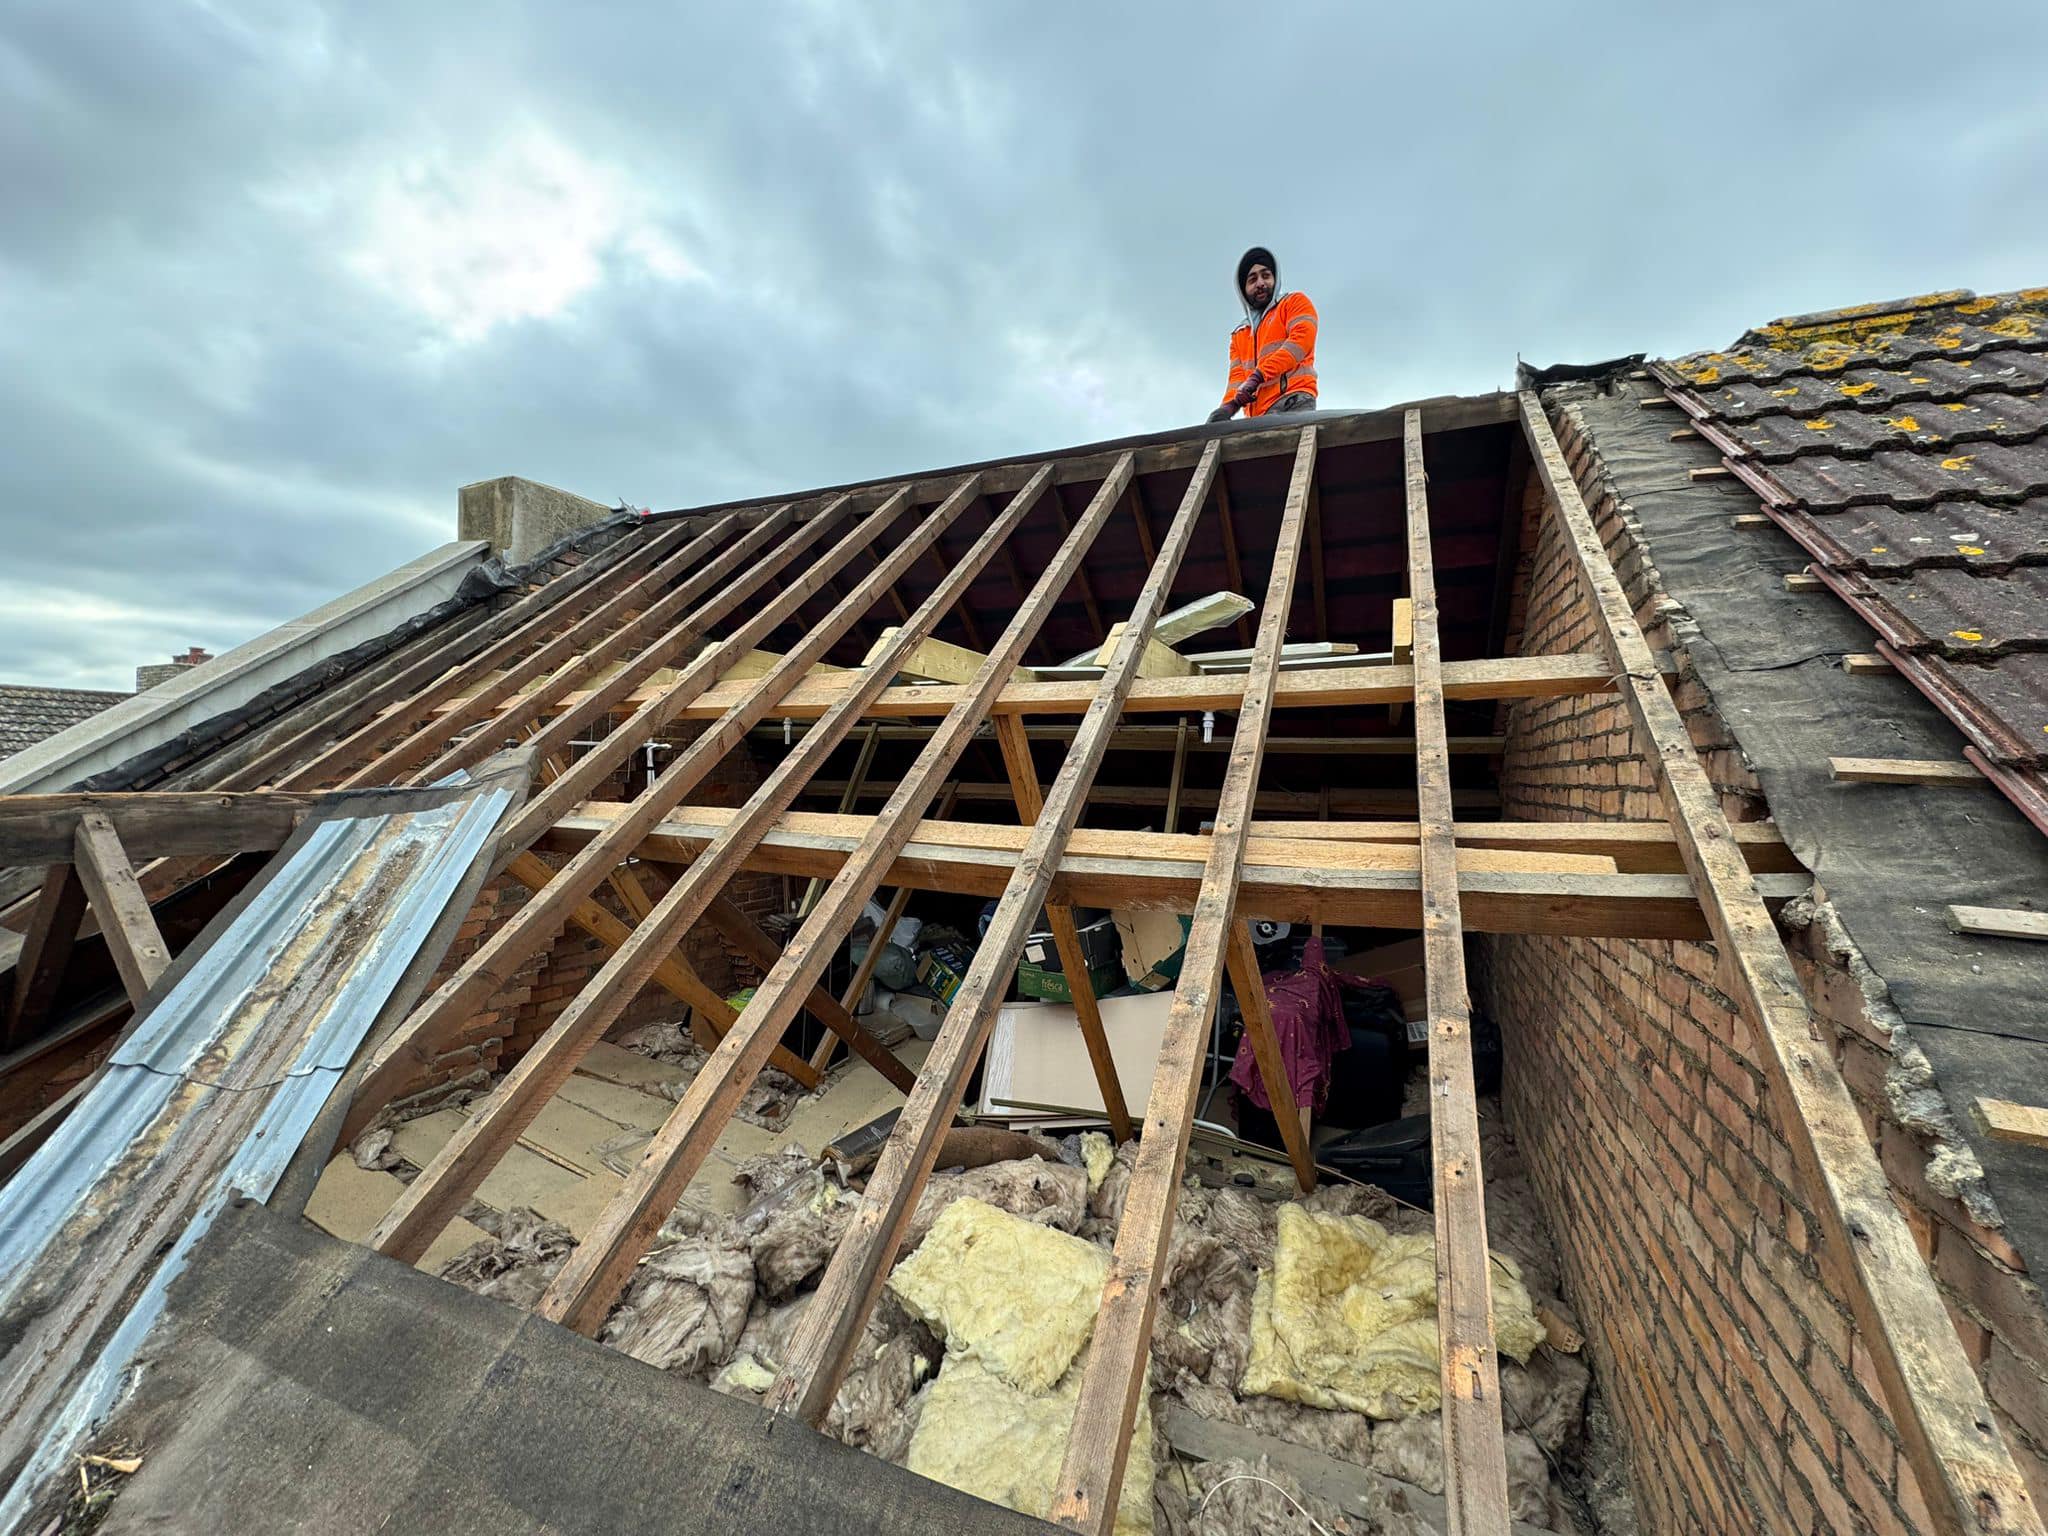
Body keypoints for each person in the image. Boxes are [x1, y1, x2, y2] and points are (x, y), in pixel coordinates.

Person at [1208, 245, 1318, 423]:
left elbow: (1299, 344)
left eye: (1266, 275)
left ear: (1275, 279)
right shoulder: (1240, 334)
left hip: (1292, 401)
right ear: (1243, 289)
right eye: (1252, 279)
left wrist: (1258, 376)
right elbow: (1237, 379)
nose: (1260, 283)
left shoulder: (1294, 303)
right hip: (1259, 416)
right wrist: (1227, 407)